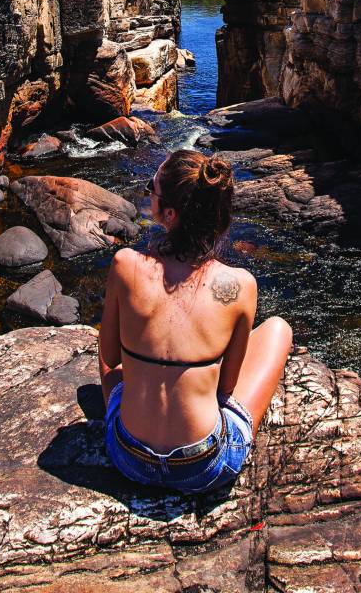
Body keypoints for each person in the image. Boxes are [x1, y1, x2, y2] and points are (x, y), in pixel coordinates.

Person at [99, 149, 292, 493]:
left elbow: (110, 359)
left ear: (168, 214)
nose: (147, 195)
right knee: (278, 328)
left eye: (151, 189)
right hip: (203, 466)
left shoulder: (124, 264)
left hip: (128, 457)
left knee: (111, 372)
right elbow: (227, 388)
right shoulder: (239, 284)